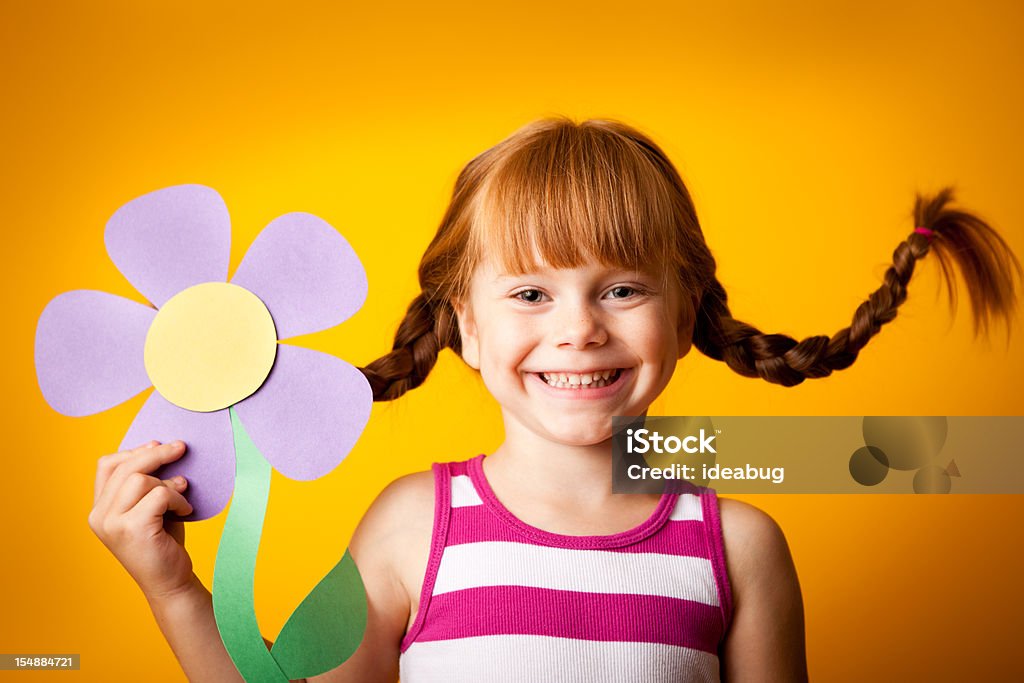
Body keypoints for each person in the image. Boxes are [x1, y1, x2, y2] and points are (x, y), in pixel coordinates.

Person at [88, 117, 1020, 682]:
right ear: (466, 325)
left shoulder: (740, 549)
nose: (578, 328)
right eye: (530, 293)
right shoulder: (413, 526)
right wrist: (172, 589)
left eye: (621, 288)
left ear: (687, 307)